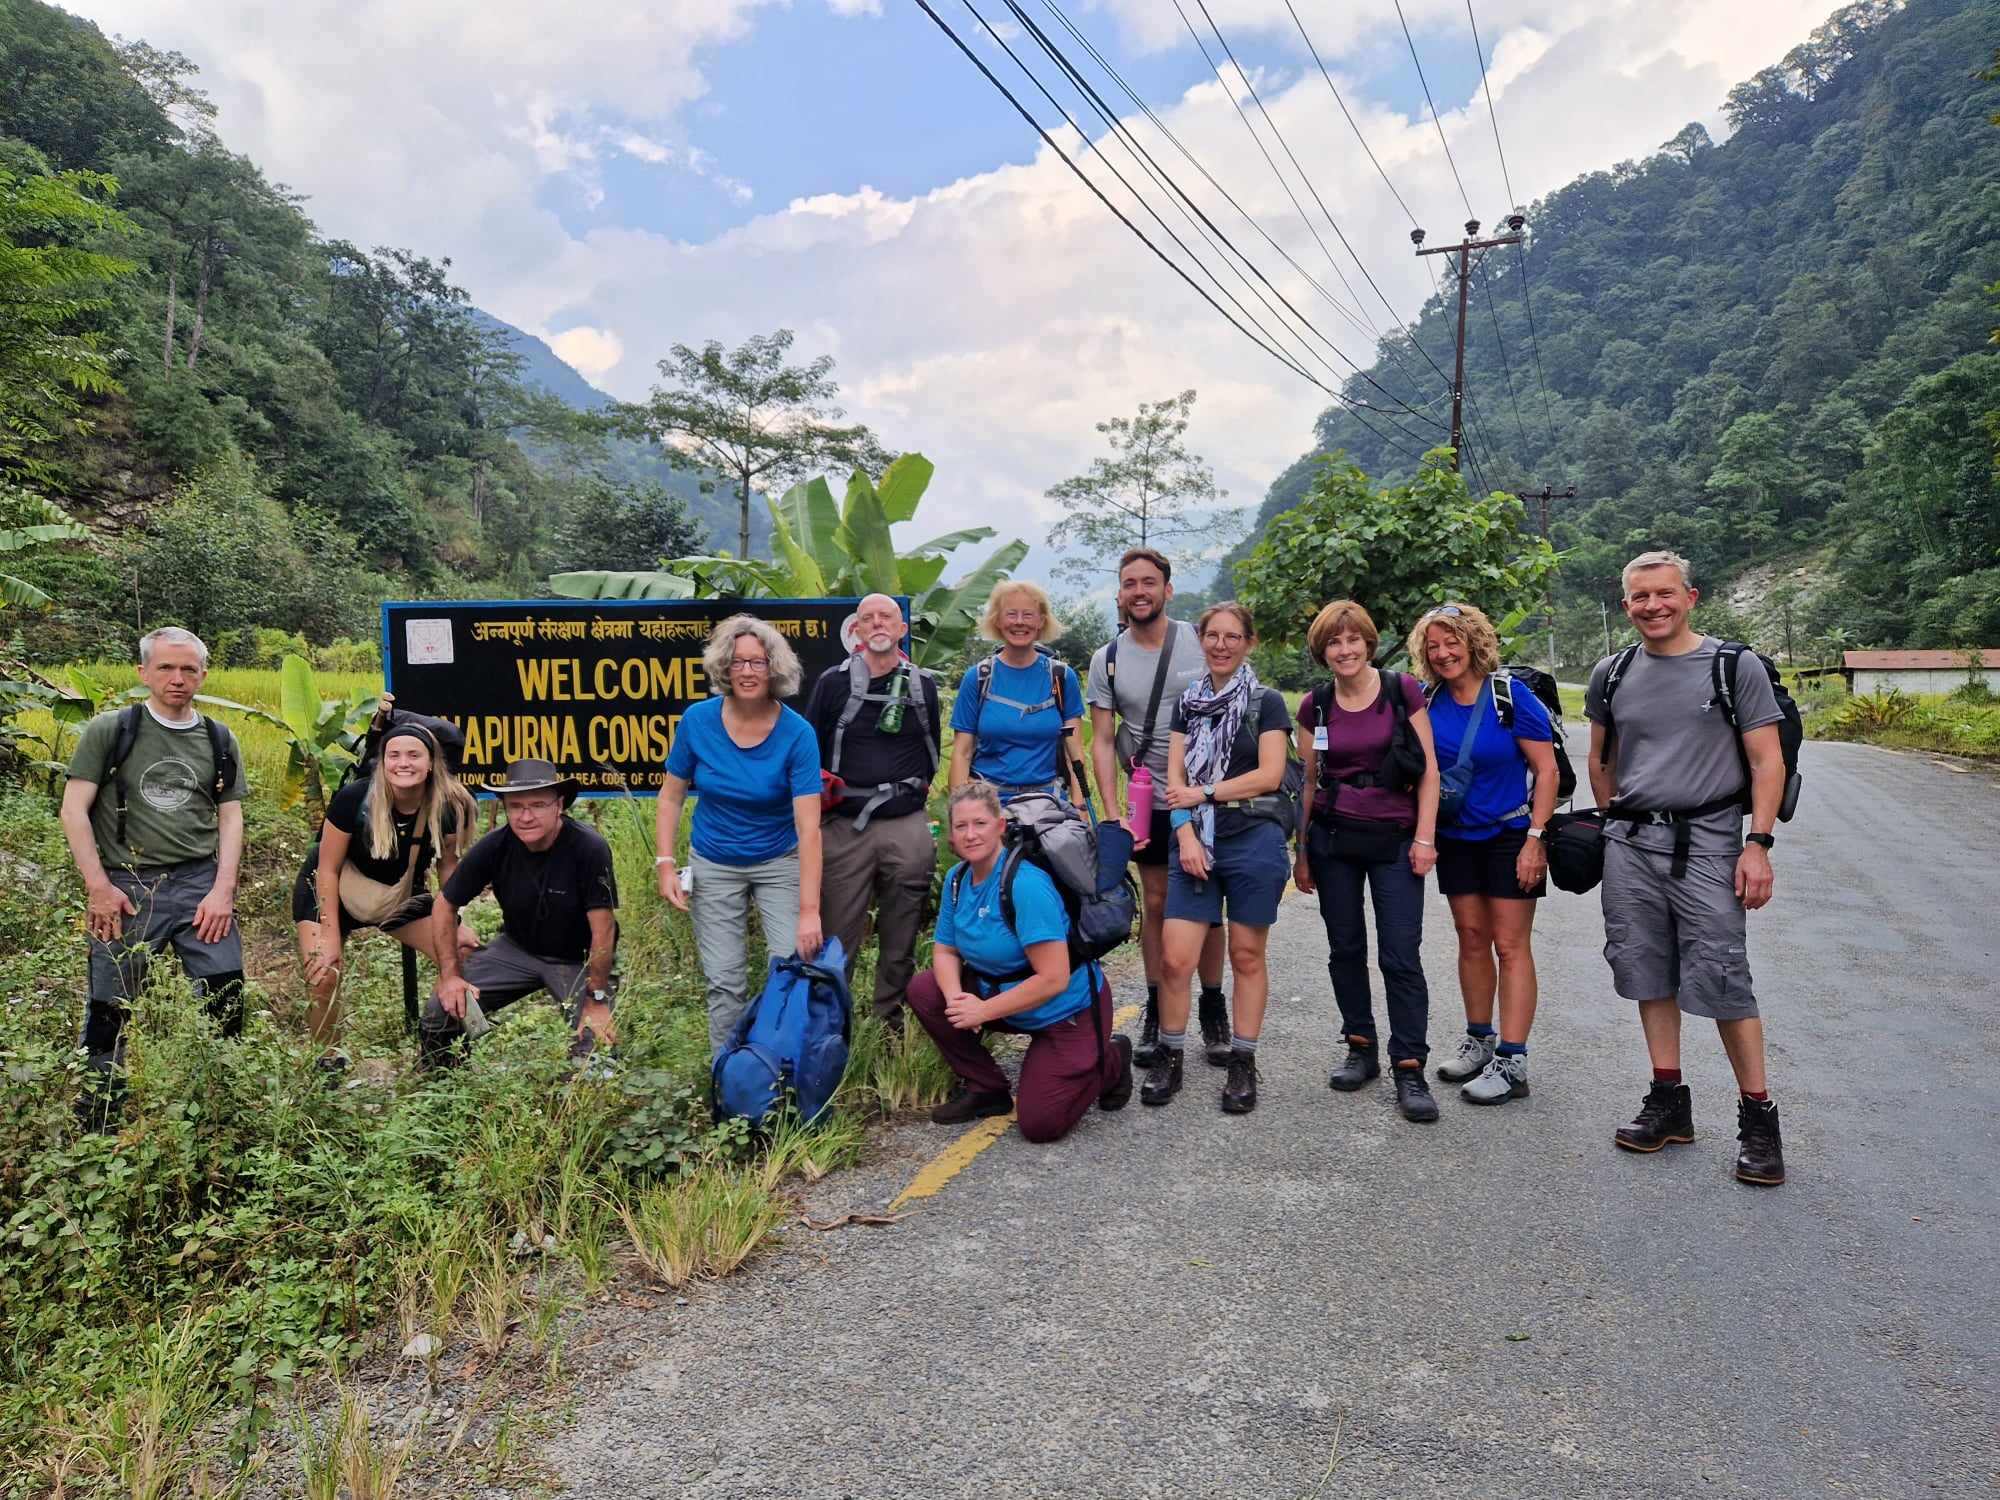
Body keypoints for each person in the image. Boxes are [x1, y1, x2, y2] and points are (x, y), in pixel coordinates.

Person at [1586, 550, 1789, 1185]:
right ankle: (1669, 1101)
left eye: (1665, 593)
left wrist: (1758, 844)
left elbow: (1767, 761)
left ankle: (1759, 1119)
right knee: (1646, 970)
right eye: (1640, 597)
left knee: (1724, 976)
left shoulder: (1734, 666)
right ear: (1626, 605)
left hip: (1709, 843)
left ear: (1690, 597)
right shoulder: (1612, 672)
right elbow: (1601, 759)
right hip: (1631, 846)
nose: (1654, 606)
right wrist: (1613, 824)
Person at [59, 626, 248, 1124]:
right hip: (127, 886)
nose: (177, 679)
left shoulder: (219, 738)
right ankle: (98, 1117)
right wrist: (99, 888)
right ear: (143, 672)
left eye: (188, 669)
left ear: (203, 675)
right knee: (110, 1006)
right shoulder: (111, 730)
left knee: (225, 995)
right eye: (165, 667)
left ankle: (218, 1112)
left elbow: (230, 817)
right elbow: (74, 810)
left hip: (199, 883)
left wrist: (223, 890)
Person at [907, 781, 1133, 1141]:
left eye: (980, 824)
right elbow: (946, 950)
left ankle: (1111, 1059)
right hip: (1004, 998)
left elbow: (1054, 978)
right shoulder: (957, 879)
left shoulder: (1025, 884)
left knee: (1041, 1124)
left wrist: (983, 1012)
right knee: (925, 989)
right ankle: (986, 1088)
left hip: (1066, 1010)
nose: (970, 834)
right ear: (951, 835)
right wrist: (956, 1001)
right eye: (961, 826)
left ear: (1000, 826)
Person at [1292, 601, 1444, 1124]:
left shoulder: (1403, 691)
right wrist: (1302, 852)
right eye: (1334, 642)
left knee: (1400, 954)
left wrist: (1425, 838)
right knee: (1345, 948)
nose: (1345, 650)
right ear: (1323, 652)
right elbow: (1308, 782)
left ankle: (1410, 1065)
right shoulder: (1314, 706)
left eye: (1353, 639)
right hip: (1333, 840)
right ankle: (1360, 1046)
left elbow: (1429, 771)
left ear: (1369, 643)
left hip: (1396, 840)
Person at [1145, 602, 1293, 1114]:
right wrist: (1185, 834)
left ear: (1249, 643)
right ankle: (1170, 1054)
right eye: (1213, 636)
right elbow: (1174, 780)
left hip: (1253, 836)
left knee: (1247, 955)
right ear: (1201, 640)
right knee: (1175, 958)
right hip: (1195, 840)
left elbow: (1269, 775)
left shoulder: (1266, 702)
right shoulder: (1187, 703)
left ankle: (1243, 1062)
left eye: (1233, 637)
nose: (1222, 645)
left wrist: (1204, 794)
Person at [1086, 549, 1231, 1067]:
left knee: (1206, 904)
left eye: (1149, 582)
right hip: (1148, 799)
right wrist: (1113, 813)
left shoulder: (1201, 640)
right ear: (1120, 594)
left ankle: (1212, 1006)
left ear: (1168, 590)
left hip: (1207, 795)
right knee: (1155, 901)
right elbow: (1103, 740)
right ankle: (1155, 1006)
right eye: (1130, 583)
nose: (1139, 591)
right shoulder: (1107, 659)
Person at [1410, 604, 1559, 1106]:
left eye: (1451, 642)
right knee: (1471, 937)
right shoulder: (1428, 700)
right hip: (1455, 837)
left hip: (1510, 834)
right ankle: (1480, 1040)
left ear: (1473, 642)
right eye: (1433, 645)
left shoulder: (1509, 696)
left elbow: (1547, 770)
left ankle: (1513, 1062)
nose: (1443, 653)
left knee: (1510, 945)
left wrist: (1536, 838)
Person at [658, 614, 825, 1056]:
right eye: (737, 662)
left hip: (778, 859)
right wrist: (665, 864)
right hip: (714, 861)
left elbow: (809, 828)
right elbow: (671, 796)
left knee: (789, 969)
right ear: (724, 667)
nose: (747, 671)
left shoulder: (798, 734)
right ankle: (728, 1078)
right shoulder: (697, 721)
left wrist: (809, 911)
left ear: (774, 668)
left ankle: (780, 1072)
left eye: (757, 662)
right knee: (724, 981)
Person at [292, 710, 480, 1066]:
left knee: (462, 950)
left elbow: (448, 866)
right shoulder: (355, 799)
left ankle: (445, 1052)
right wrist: (330, 935)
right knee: (323, 972)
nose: (403, 763)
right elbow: (328, 868)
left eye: (414, 755)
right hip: (330, 888)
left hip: (397, 891)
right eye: (394, 755)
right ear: (383, 762)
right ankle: (328, 1063)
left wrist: (456, 922)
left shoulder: (449, 806)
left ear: (431, 763)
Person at [422, 759, 619, 1067]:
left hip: (577, 958)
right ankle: (443, 1083)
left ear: (559, 805)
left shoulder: (588, 847)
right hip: (517, 948)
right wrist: (450, 976)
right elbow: (444, 905)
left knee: (596, 1045)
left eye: (538, 805)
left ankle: (583, 1084)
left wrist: (596, 997)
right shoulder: (495, 845)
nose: (526, 817)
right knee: (442, 1010)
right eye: (516, 806)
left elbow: (603, 929)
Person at [805, 593, 942, 1032]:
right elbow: (810, 752)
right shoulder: (832, 683)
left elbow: (932, 754)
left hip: (905, 822)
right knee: (837, 936)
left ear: (902, 629)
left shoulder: (923, 686)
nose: (878, 623)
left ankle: (888, 1025)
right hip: (845, 826)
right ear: (857, 630)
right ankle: (831, 1033)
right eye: (869, 618)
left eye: (887, 617)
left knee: (901, 935)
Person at [949, 580, 1087, 807]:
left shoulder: (1060, 678)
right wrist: (959, 812)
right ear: (997, 620)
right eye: (1011, 614)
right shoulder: (979, 678)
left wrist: (1079, 806)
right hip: (989, 805)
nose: (1019, 622)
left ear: (1041, 621)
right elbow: (962, 753)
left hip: (1048, 804)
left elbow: (1074, 751)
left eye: (1028, 615)